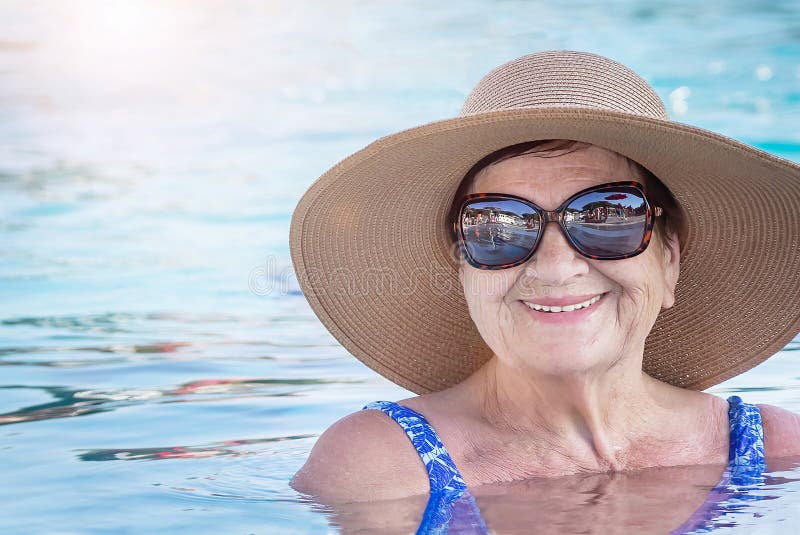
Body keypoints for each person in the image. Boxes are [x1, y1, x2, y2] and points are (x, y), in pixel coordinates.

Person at [289, 51, 800, 532]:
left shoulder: (781, 449)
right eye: (499, 225)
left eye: (608, 216)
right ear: (462, 266)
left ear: (669, 259)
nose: (555, 266)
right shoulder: (383, 467)